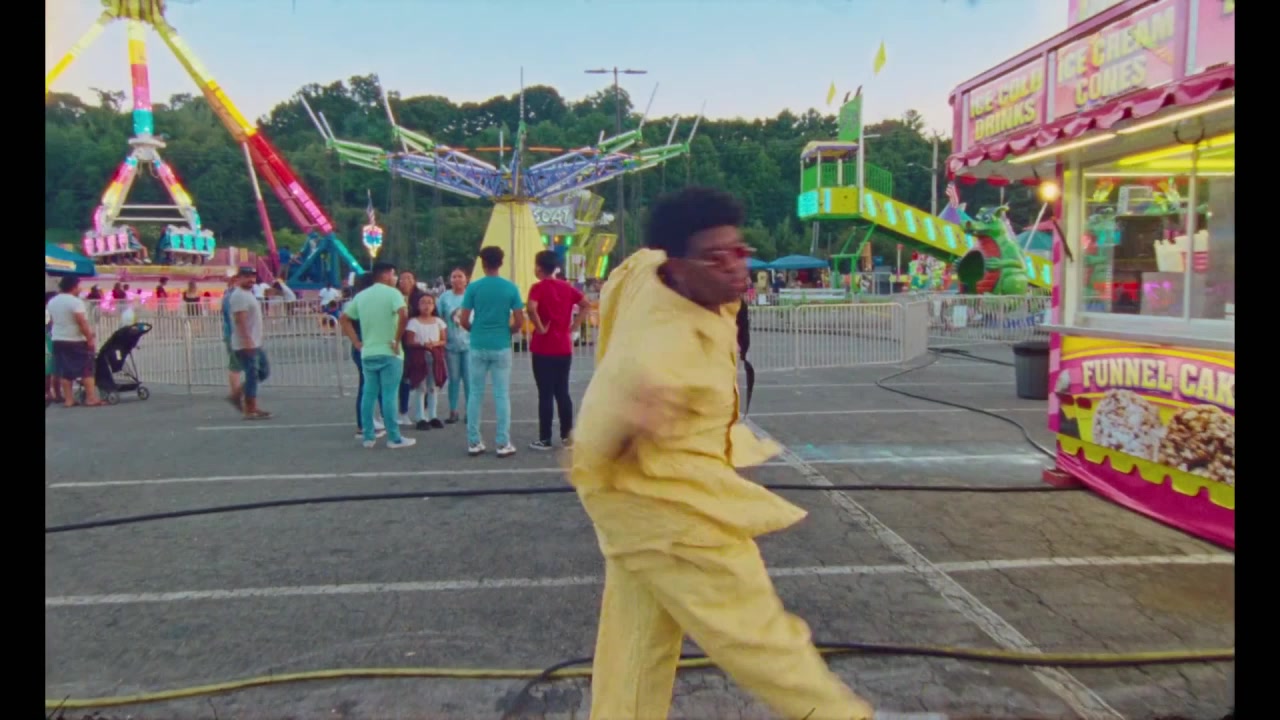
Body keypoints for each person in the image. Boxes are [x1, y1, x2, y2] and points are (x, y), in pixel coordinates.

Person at [569, 187, 875, 720]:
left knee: (636, 644)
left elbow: (628, 270)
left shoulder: (650, 271)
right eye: (716, 258)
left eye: (740, 250)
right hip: (670, 507)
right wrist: (631, 434)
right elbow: (593, 443)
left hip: (637, 505)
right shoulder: (657, 356)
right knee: (753, 627)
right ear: (679, 267)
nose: (736, 266)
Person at [341, 261, 416, 450]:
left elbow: (344, 318)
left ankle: (368, 436)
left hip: (368, 351)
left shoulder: (361, 296)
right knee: (389, 394)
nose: (395, 278)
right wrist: (396, 339)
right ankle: (394, 437)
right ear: (386, 274)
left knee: (369, 393)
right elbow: (403, 314)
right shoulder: (393, 293)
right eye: (393, 274)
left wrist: (356, 342)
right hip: (390, 351)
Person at [460, 246, 524, 457]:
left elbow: (463, 319)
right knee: (501, 394)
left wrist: (475, 330)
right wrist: (508, 331)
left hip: (478, 343)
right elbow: (519, 320)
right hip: (501, 344)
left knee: (475, 393)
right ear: (501, 262)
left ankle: (474, 441)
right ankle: (502, 442)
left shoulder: (473, 287)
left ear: (483, 263)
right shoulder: (510, 288)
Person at [527, 250, 589, 451]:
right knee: (562, 391)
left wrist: (539, 327)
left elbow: (531, 307)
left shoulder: (537, 288)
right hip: (563, 345)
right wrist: (575, 325)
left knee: (545, 393)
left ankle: (545, 438)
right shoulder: (566, 287)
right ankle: (567, 435)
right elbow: (585, 305)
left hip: (543, 347)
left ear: (538, 267)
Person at [343, 273, 386, 439]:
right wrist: (357, 341)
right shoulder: (362, 301)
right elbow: (345, 320)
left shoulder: (358, 300)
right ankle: (363, 424)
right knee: (367, 385)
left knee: (369, 385)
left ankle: (368, 421)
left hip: (364, 345)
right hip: (366, 346)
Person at [48, 275, 102, 408]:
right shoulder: (75, 302)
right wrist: (89, 338)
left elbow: (53, 321)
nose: (80, 289)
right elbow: (81, 322)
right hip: (75, 340)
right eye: (79, 286)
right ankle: (91, 398)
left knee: (65, 370)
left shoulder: (52, 301)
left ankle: (69, 400)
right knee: (86, 368)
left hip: (58, 339)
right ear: (73, 287)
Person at [227, 266, 272, 420]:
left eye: (253, 276)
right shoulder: (239, 295)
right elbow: (240, 320)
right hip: (246, 343)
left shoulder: (247, 294)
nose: (251, 279)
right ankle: (250, 408)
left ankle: (237, 394)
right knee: (252, 374)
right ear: (239, 278)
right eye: (247, 276)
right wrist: (247, 341)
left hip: (254, 342)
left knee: (262, 372)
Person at [403, 293, 448, 431]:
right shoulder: (413, 322)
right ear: (418, 305)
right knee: (420, 386)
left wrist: (434, 343)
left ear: (434, 306)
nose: (426, 306)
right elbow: (410, 341)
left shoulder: (438, 322)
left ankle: (432, 415)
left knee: (433, 386)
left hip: (435, 356)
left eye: (429, 302)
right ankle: (420, 417)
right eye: (423, 302)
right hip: (419, 357)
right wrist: (423, 344)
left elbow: (443, 340)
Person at [436, 268, 471, 424]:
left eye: (460, 276)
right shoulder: (444, 297)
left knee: (469, 379)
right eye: (454, 276)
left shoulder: (471, 296)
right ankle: (453, 410)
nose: (457, 279)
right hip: (451, 344)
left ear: (466, 279)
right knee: (454, 378)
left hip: (470, 344)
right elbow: (439, 318)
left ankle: (470, 411)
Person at [396, 270, 427, 426]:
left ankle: (423, 411)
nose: (405, 281)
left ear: (414, 280)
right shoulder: (393, 296)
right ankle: (403, 411)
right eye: (402, 278)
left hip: (418, 341)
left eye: (409, 278)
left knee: (422, 376)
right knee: (404, 377)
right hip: (399, 340)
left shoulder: (421, 297)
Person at [219, 275, 245, 410]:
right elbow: (232, 318)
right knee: (237, 366)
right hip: (235, 335)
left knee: (236, 365)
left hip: (231, 334)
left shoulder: (228, 295)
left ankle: (236, 392)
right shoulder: (233, 297)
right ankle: (236, 394)